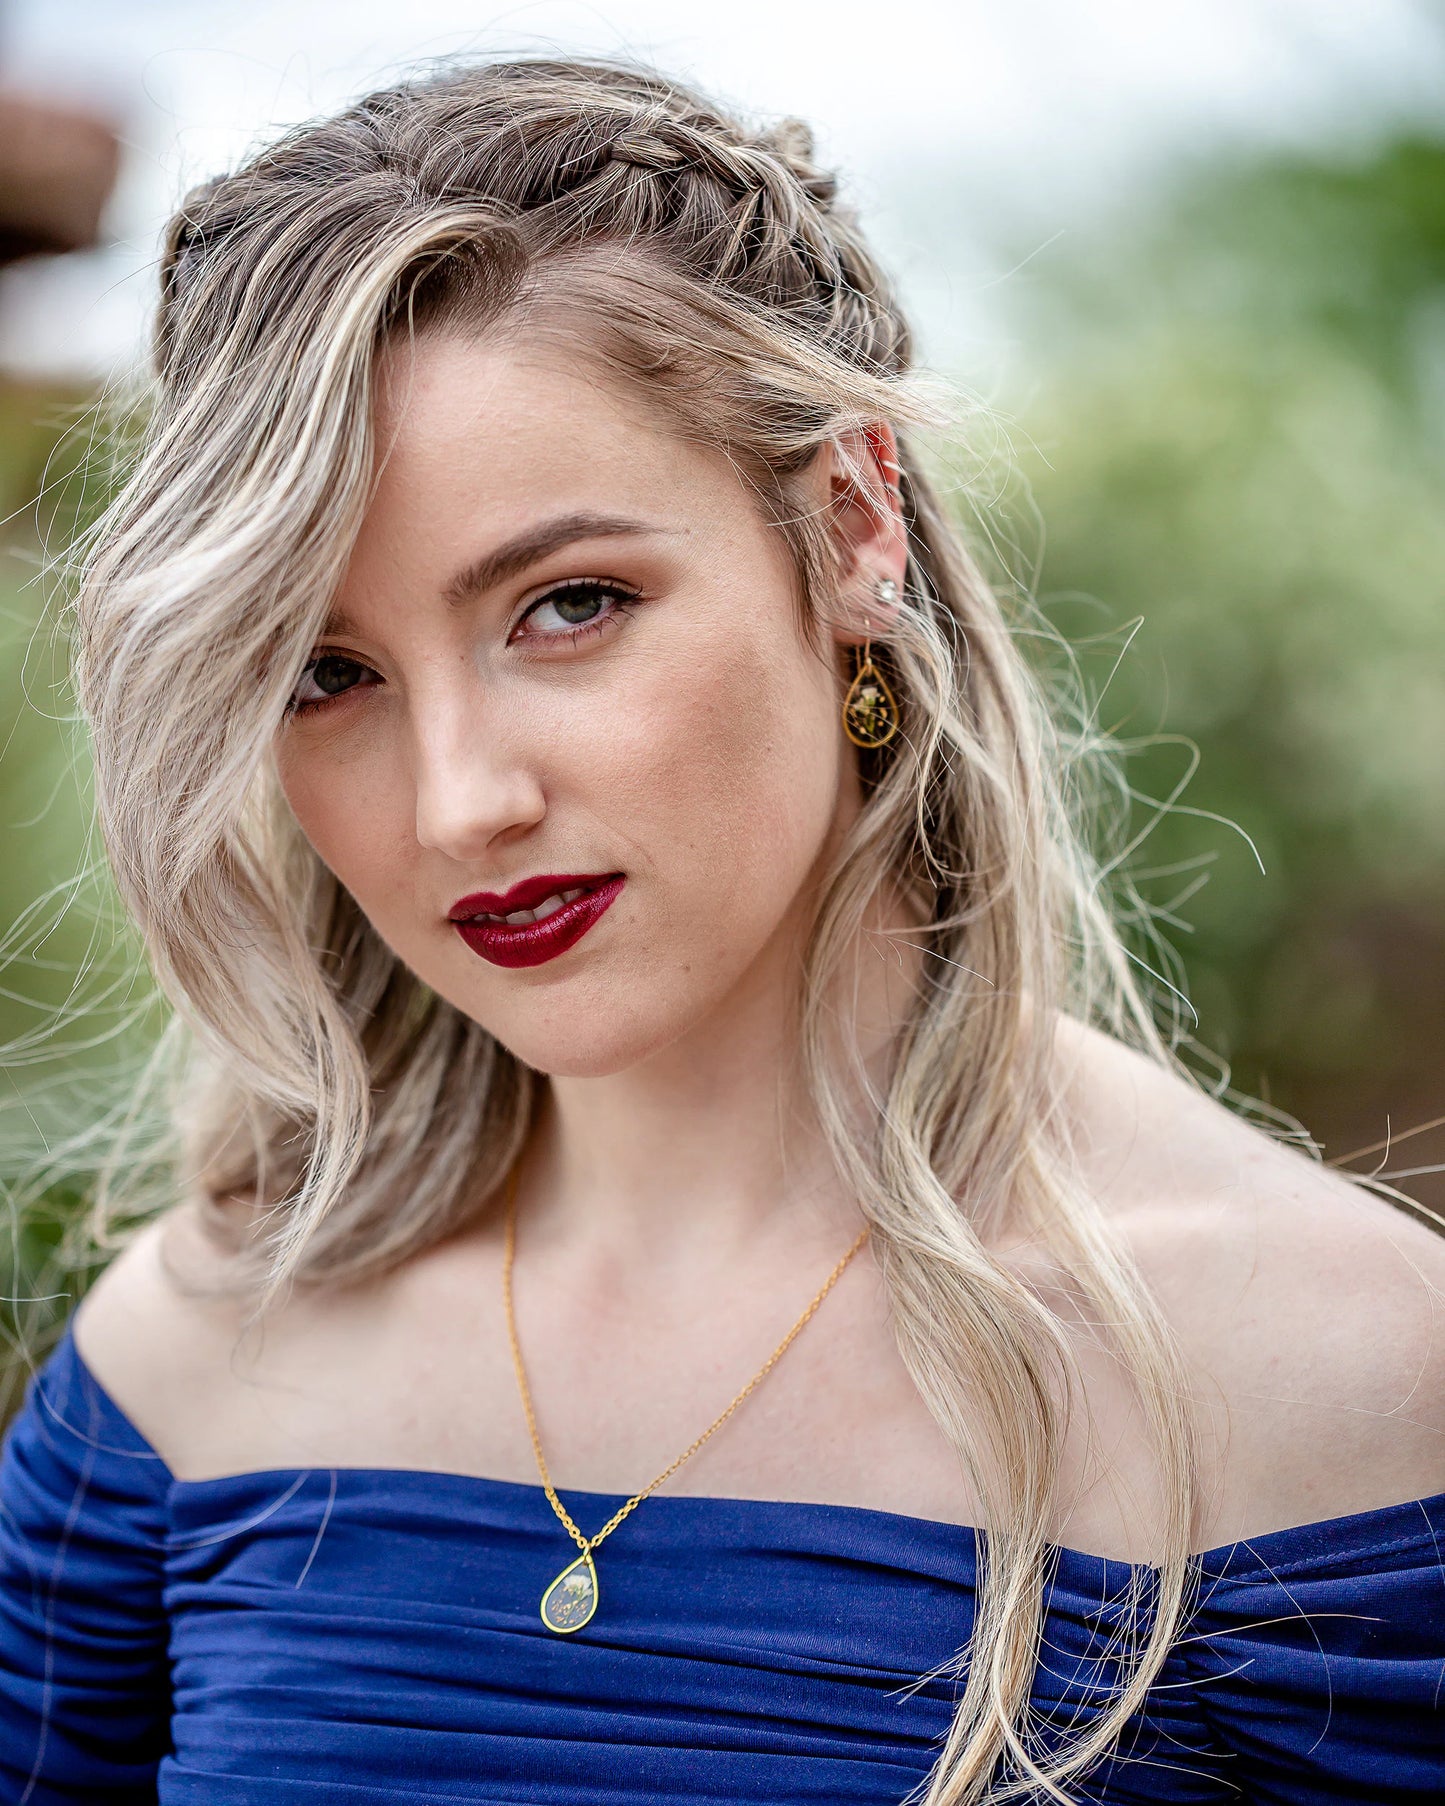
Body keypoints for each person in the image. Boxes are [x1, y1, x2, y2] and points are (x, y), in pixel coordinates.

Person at [1, 55, 1442, 1806]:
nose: (458, 801)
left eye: (570, 604)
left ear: (850, 525)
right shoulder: (182, 1368)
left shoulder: (1334, 1377)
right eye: (328, 673)